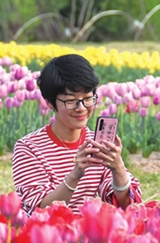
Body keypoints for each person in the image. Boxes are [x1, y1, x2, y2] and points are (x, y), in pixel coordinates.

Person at [12, 54, 142, 214]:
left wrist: (118, 168)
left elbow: (127, 205)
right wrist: (75, 175)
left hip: (89, 227)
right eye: (71, 101)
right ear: (50, 103)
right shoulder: (28, 148)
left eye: (88, 99)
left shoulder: (97, 144)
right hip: (48, 229)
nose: (81, 108)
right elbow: (39, 209)